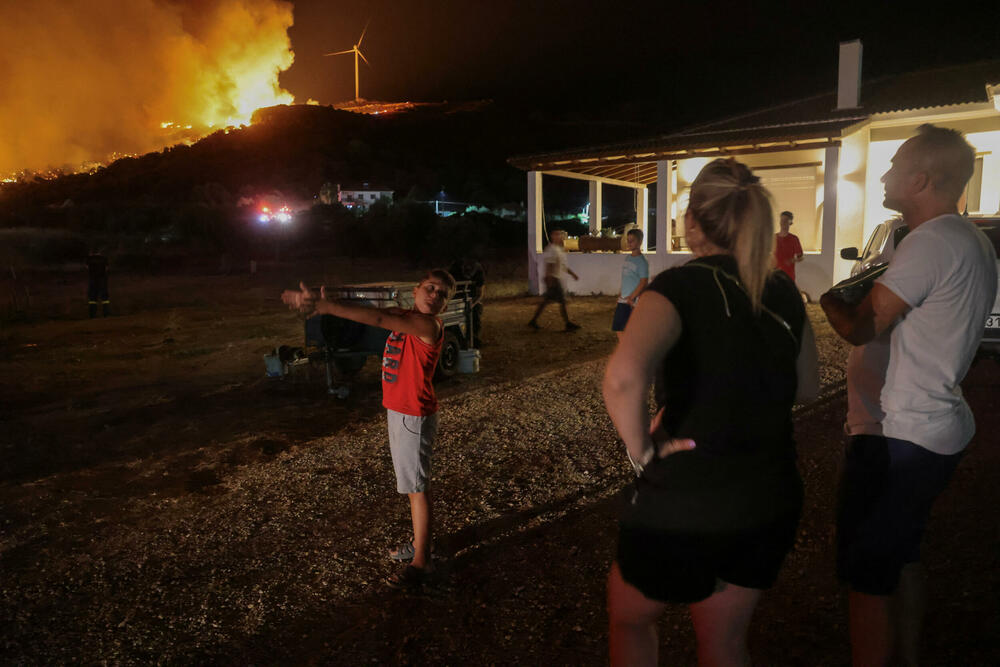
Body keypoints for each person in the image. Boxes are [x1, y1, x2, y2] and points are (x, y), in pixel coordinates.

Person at [603, 158, 819, 666]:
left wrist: (641, 449)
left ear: (692, 223)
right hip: (767, 493)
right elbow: (807, 387)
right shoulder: (782, 290)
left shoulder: (677, 287)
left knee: (630, 618)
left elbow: (622, 378)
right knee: (723, 642)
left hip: (688, 497)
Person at [820, 124, 997, 666]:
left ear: (921, 179)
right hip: (932, 425)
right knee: (903, 554)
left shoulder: (929, 242)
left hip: (902, 435)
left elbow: (859, 327)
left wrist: (829, 300)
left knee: (867, 574)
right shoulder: (969, 239)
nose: (885, 172)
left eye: (895, 164)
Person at [282, 269, 457, 590]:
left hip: (413, 416)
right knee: (410, 485)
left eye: (442, 294)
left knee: (417, 488)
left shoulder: (427, 326)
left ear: (444, 305)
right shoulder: (406, 314)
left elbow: (377, 320)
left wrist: (327, 308)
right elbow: (373, 315)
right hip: (400, 412)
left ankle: (423, 563)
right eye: (430, 288)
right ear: (416, 290)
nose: (435, 295)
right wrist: (323, 302)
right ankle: (420, 544)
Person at [528, 228, 581, 331]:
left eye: (560, 235)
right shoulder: (552, 249)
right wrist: (549, 279)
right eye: (557, 235)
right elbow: (549, 265)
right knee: (561, 301)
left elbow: (562, 266)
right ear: (553, 236)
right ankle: (567, 324)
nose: (560, 237)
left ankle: (533, 321)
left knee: (547, 301)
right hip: (554, 279)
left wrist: (573, 274)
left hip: (555, 278)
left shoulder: (558, 249)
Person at [612, 228, 649, 339]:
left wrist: (632, 297)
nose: (629, 243)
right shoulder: (628, 258)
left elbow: (644, 282)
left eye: (632, 240)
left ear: (640, 242)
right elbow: (626, 278)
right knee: (618, 327)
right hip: (623, 298)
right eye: (628, 240)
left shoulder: (642, 262)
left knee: (629, 329)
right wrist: (620, 293)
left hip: (631, 301)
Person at [448, 256, 486, 348]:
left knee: (475, 313)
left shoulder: (478, 271)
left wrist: (471, 305)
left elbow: (479, 294)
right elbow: (448, 286)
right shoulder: (455, 268)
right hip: (456, 295)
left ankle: (474, 339)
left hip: (471, 296)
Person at [774, 210, 804, 281]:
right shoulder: (773, 238)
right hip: (775, 275)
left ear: (790, 222)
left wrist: (792, 260)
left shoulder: (794, 239)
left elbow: (801, 257)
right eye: (781, 220)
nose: (783, 222)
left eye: (785, 220)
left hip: (788, 276)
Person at [86, 247, 111, 317]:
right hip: (102, 280)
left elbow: (87, 268)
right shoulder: (104, 259)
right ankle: (106, 313)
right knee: (105, 297)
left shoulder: (89, 259)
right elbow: (107, 269)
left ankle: (92, 314)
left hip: (93, 280)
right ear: (100, 251)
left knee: (92, 298)